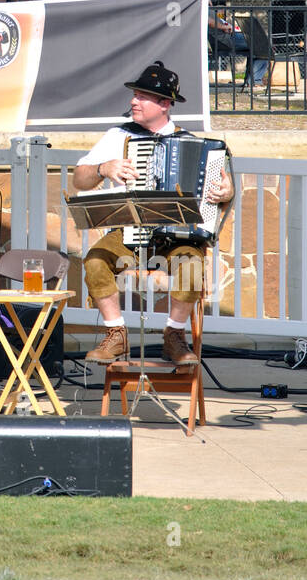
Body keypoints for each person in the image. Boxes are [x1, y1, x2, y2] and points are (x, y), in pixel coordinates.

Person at [72, 61, 233, 366]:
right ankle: (115, 334)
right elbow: (79, 179)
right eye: (135, 94)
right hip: (129, 232)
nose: (134, 101)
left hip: (175, 237)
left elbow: (219, 195)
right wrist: (103, 168)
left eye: (142, 96)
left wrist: (227, 194)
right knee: (96, 260)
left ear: (164, 104)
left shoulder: (191, 144)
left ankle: (173, 336)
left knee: (192, 264)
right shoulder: (118, 136)